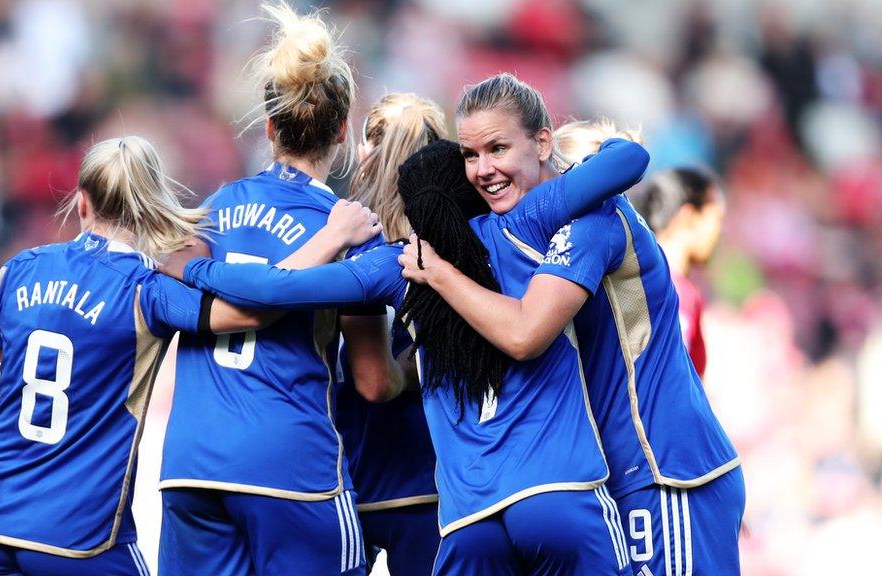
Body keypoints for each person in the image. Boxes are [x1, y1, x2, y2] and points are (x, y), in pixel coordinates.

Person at [165, 115, 649, 574]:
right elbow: (628, 160)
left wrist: (193, 268)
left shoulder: (397, 265)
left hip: (468, 517)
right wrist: (568, 157)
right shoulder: (525, 227)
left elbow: (275, 288)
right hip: (554, 490)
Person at [0, 135, 378, 576]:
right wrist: (332, 238)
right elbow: (254, 311)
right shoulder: (147, 291)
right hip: (78, 543)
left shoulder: (19, 270)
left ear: (83, 202)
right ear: (151, 206)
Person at [402, 117, 744, 575]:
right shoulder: (524, 247)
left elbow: (525, 334)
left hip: (661, 468)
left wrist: (439, 274)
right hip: (615, 475)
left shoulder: (591, 224)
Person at [156, 3, 390, 575]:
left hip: (190, 464)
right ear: (341, 129)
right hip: (289, 467)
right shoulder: (348, 227)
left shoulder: (212, 211)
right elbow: (372, 380)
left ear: (268, 126)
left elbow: (166, 270)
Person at [339, 93, 447, 575]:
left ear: (367, 153)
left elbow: (374, 382)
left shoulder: (350, 244)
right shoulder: (456, 241)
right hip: (436, 482)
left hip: (352, 479)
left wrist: (404, 371)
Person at [627, 167, 725, 378]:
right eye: (716, 219)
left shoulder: (635, 279)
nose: (719, 232)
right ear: (688, 216)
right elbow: (671, 379)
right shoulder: (676, 293)